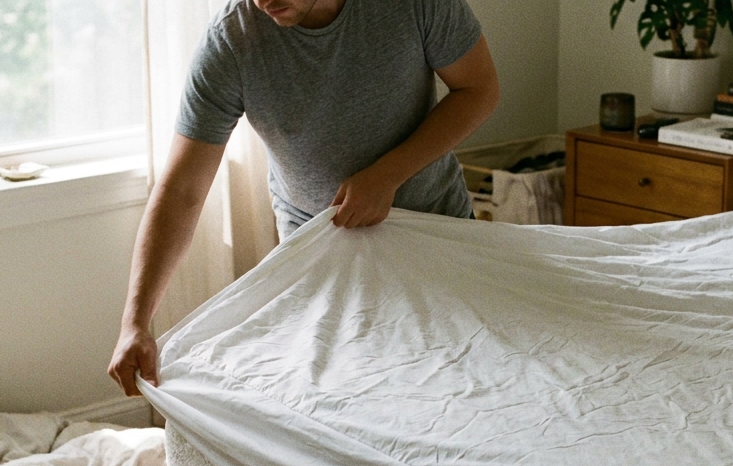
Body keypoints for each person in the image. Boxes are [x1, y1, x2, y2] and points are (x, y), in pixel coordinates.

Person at [108, 0, 500, 397]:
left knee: (464, 384)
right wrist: (135, 324)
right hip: (320, 263)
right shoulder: (231, 40)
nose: (264, 1)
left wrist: (388, 174)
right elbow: (181, 191)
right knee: (353, 400)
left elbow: (479, 89)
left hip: (438, 235)